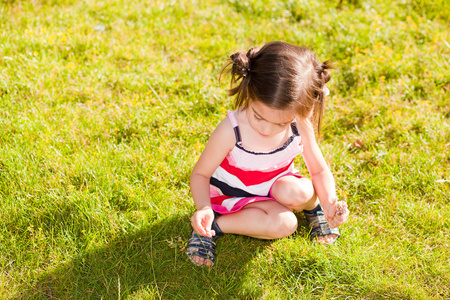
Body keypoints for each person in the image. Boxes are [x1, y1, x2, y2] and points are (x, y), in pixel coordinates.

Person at [186, 41, 350, 267]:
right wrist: (204, 208)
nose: (266, 129)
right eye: (259, 117)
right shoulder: (232, 129)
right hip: (237, 198)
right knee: (285, 224)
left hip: (276, 186)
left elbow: (319, 170)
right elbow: (201, 174)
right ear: (249, 94)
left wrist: (330, 201)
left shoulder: (299, 123)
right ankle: (215, 226)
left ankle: (316, 210)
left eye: (280, 123)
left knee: (299, 190)